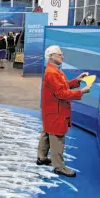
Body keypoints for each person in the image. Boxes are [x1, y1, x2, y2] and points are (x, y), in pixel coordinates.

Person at [37, 45, 91, 177]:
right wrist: (81, 92)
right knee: (57, 137)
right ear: (51, 56)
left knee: (47, 133)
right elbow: (62, 93)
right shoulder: (52, 73)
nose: (63, 56)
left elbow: (63, 85)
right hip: (56, 111)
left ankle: (41, 157)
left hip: (51, 110)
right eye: (60, 54)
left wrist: (77, 80)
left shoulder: (54, 71)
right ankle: (59, 167)